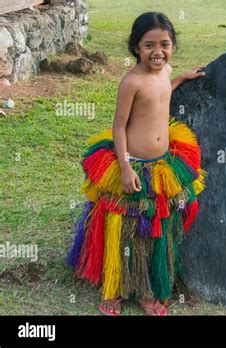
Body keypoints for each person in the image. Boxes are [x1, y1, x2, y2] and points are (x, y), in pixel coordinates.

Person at [67, 11, 206, 316]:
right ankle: (114, 288)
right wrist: (126, 166)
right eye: (149, 45)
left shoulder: (166, 71)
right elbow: (119, 126)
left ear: (172, 46)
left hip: (162, 164)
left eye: (165, 44)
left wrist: (183, 77)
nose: (158, 52)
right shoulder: (131, 81)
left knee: (150, 233)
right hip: (133, 163)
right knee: (124, 230)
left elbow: (164, 91)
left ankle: (144, 289)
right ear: (135, 47)